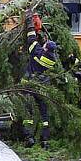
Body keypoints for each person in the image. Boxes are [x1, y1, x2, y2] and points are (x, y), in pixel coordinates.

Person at [22, 13, 57, 148]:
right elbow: (43, 47)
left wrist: (31, 26)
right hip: (43, 87)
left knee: (28, 112)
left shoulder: (37, 52)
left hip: (30, 85)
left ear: (45, 48)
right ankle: (45, 140)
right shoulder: (52, 59)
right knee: (44, 113)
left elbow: (31, 41)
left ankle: (28, 137)